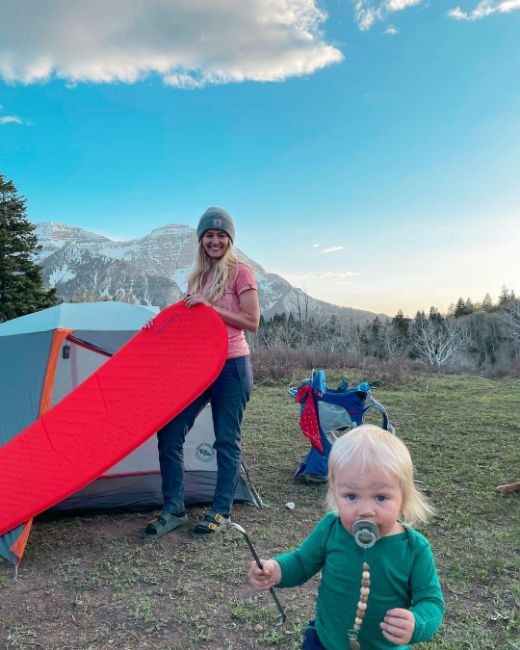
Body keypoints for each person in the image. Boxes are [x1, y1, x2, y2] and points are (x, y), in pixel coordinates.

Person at [248, 425, 444, 649]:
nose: (365, 510)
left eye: (381, 497)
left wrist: (417, 623)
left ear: (404, 499)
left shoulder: (414, 549)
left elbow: (431, 602)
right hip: (325, 642)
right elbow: (302, 562)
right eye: (351, 496)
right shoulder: (331, 529)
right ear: (335, 495)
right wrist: (277, 569)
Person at [145, 207, 260, 540]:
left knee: (225, 440)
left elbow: (252, 321)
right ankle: (174, 509)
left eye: (221, 235)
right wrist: (155, 330)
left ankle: (221, 511)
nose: (215, 240)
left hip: (232, 366)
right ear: (201, 240)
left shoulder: (241, 273)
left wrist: (213, 308)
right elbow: (188, 325)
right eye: (209, 235)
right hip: (199, 367)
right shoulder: (197, 279)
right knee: (170, 433)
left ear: (230, 240)